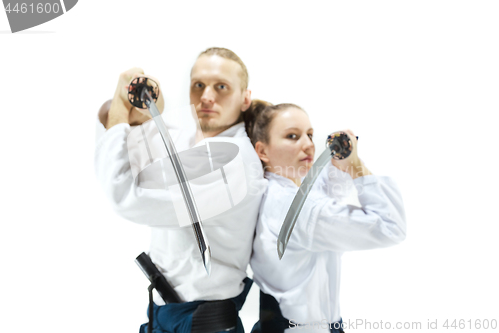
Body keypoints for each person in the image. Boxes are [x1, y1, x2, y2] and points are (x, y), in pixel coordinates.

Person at [94, 47, 267, 333]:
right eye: (198, 85)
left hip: (201, 322)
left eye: (221, 86)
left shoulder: (232, 161)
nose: (207, 96)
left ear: (245, 97)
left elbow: (124, 194)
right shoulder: (190, 141)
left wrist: (120, 103)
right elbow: (125, 142)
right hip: (167, 314)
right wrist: (142, 109)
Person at [244, 102, 407, 332]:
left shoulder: (276, 189)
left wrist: (340, 161)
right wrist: (356, 167)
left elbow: (324, 190)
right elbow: (390, 227)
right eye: (293, 136)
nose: (309, 145)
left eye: (309, 135)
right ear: (262, 151)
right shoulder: (298, 209)